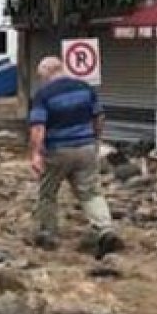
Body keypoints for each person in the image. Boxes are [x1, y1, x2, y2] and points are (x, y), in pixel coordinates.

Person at [28, 56, 123, 257]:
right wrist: (96, 139)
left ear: (46, 73)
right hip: (86, 147)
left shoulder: (43, 95)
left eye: (41, 76)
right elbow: (99, 117)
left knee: (48, 192)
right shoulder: (85, 88)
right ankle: (105, 228)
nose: (41, 80)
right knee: (90, 192)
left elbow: (38, 127)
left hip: (58, 150)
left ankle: (48, 233)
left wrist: (36, 154)